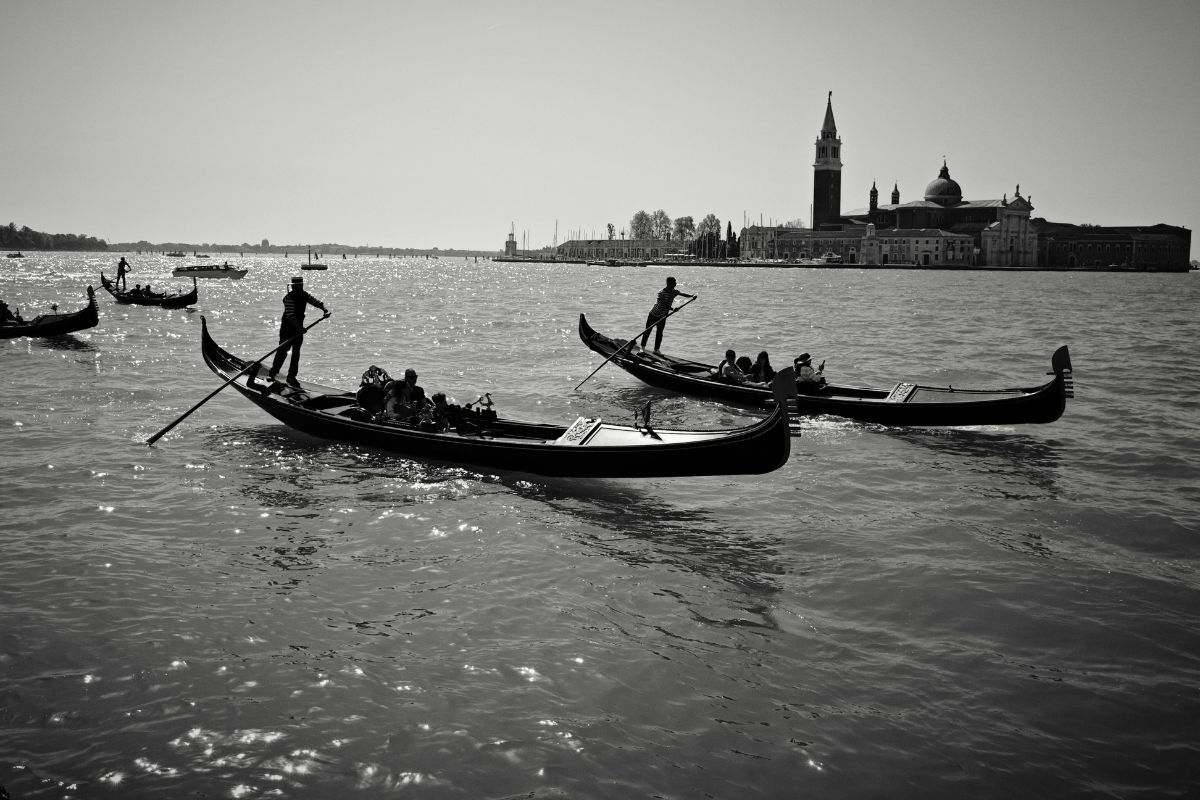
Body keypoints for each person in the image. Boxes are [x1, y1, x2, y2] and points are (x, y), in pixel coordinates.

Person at [268, 276, 329, 385]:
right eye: (298, 286)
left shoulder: (304, 295)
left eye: (301, 286)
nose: (300, 288)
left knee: (296, 354)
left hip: (298, 329)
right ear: (293, 287)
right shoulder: (288, 298)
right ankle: (273, 373)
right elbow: (290, 316)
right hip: (287, 329)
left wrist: (325, 310)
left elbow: (317, 303)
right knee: (282, 352)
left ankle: (291, 377)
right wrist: (300, 328)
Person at [639, 276, 696, 352]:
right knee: (647, 331)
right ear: (668, 283)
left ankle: (656, 350)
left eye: (675, 283)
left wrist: (692, 296)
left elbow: (683, 294)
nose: (675, 284)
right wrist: (672, 309)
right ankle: (642, 348)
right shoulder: (661, 293)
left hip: (663, 316)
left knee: (659, 333)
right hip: (654, 314)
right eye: (673, 283)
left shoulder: (674, 291)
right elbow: (663, 304)